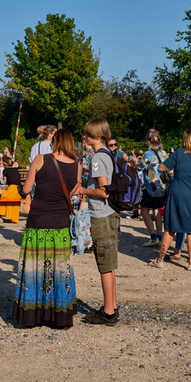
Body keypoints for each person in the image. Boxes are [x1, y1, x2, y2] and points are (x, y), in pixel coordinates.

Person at [13, 128, 80, 328]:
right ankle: (58, 315)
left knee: (35, 266)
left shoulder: (41, 159)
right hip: (60, 222)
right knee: (59, 268)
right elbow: (75, 190)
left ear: (55, 141)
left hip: (38, 219)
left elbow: (26, 189)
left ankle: (33, 314)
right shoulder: (76, 165)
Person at [78, 118, 121, 325]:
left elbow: (103, 191)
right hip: (111, 213)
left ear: (97, 136)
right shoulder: (108, 154)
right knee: (110, 264)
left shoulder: (96, 158)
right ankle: (111, 305)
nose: (84, 137)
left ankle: (108, 312)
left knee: (104, 264)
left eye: (87, 134)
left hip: (101, 215)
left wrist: (82, 190)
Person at [151, 129, 191, 271]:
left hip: (179, 193)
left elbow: (161, 167)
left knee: (171, 228)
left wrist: (172, 168)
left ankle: (160, 259)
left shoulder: (178, 153)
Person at [139, 129, 167, 247]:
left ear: (148, 141)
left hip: (151, 186)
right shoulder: (164, 153)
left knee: (144, 211)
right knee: (157, 211)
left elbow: (140, 167)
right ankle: (160, 236)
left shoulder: (148, 154)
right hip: (162, 186)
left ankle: (153, 236)